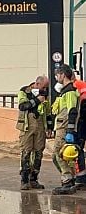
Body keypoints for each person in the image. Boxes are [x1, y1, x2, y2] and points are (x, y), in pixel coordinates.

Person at [16, 76, 51, 190]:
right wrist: (36, 100)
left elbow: (48, 112)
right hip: (27, 127)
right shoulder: (24, 91)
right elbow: (22, 106)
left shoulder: (45, 95)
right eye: (44, 87)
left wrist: (50, 127)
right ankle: (24, 180)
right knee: (26, 152)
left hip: (40, 126)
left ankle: (34, 179)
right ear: (37, 84)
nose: (45, 89)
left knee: (38, 153)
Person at [51, 64, 80, 195]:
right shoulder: (65, 91)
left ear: (63, 75)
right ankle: (70, 180)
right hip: (62, 126)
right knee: (60, 155)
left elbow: (72, 111)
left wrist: (69, 130)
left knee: (59, 153)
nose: (57, 77)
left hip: (64, 127)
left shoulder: (69, 92)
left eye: (58, 74)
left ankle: (67, 181)